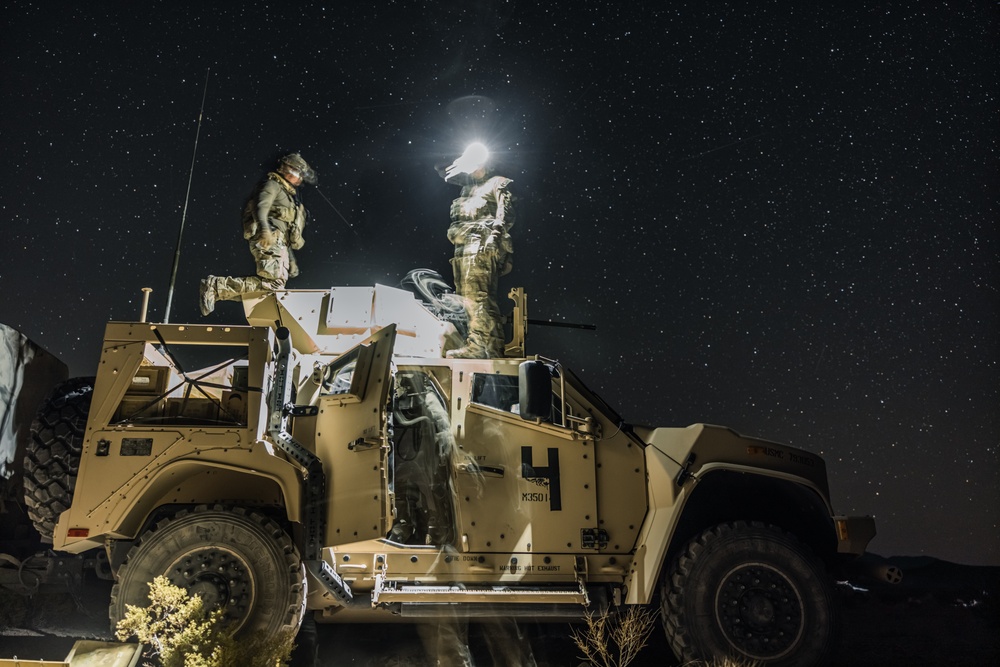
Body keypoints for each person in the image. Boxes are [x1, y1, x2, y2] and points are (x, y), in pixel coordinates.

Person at [199, 153, 316, 316]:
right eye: (299, 174)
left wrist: (291, 258)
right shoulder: (272, 185)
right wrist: (264, 229)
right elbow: (260, 207)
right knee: (273, 285)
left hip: (279, 243)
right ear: (289, 169)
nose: (300, 179)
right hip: (269, 239)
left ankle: (218, 289)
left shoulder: (288, 196)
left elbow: (285, 230)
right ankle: (216, 286)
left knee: (273, 290)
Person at [438, 143, 514, 358]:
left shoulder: (497, 183)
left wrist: (495, 237)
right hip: (462, 246)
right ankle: (477, 342)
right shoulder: (467, 190)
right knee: (465, 298)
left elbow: (505, 213)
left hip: (481, 244)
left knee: (479, 296)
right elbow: (441, 169)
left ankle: (483, 346)